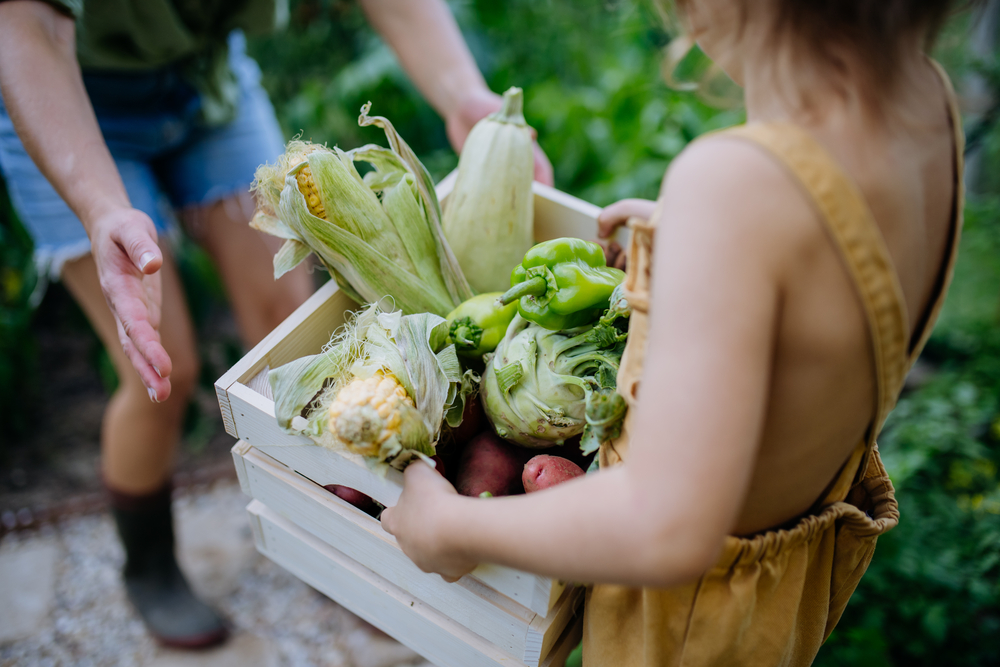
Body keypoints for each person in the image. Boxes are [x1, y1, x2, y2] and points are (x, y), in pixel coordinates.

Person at [381, 0, 964, 665]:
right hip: (773, 610)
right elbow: (823, 297)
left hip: (679, 633)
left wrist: (454, 527)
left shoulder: (733, 189)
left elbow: (666, 526)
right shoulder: (923, 105)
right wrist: (698, 253)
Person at [0, 0, 552, 649]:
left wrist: (461, 93)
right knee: (161, 368)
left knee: (289, 331)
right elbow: (22, 22)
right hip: (67, 99)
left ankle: (323, 536)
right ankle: (147, 564)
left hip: (206, 85)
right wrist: (99, 209)